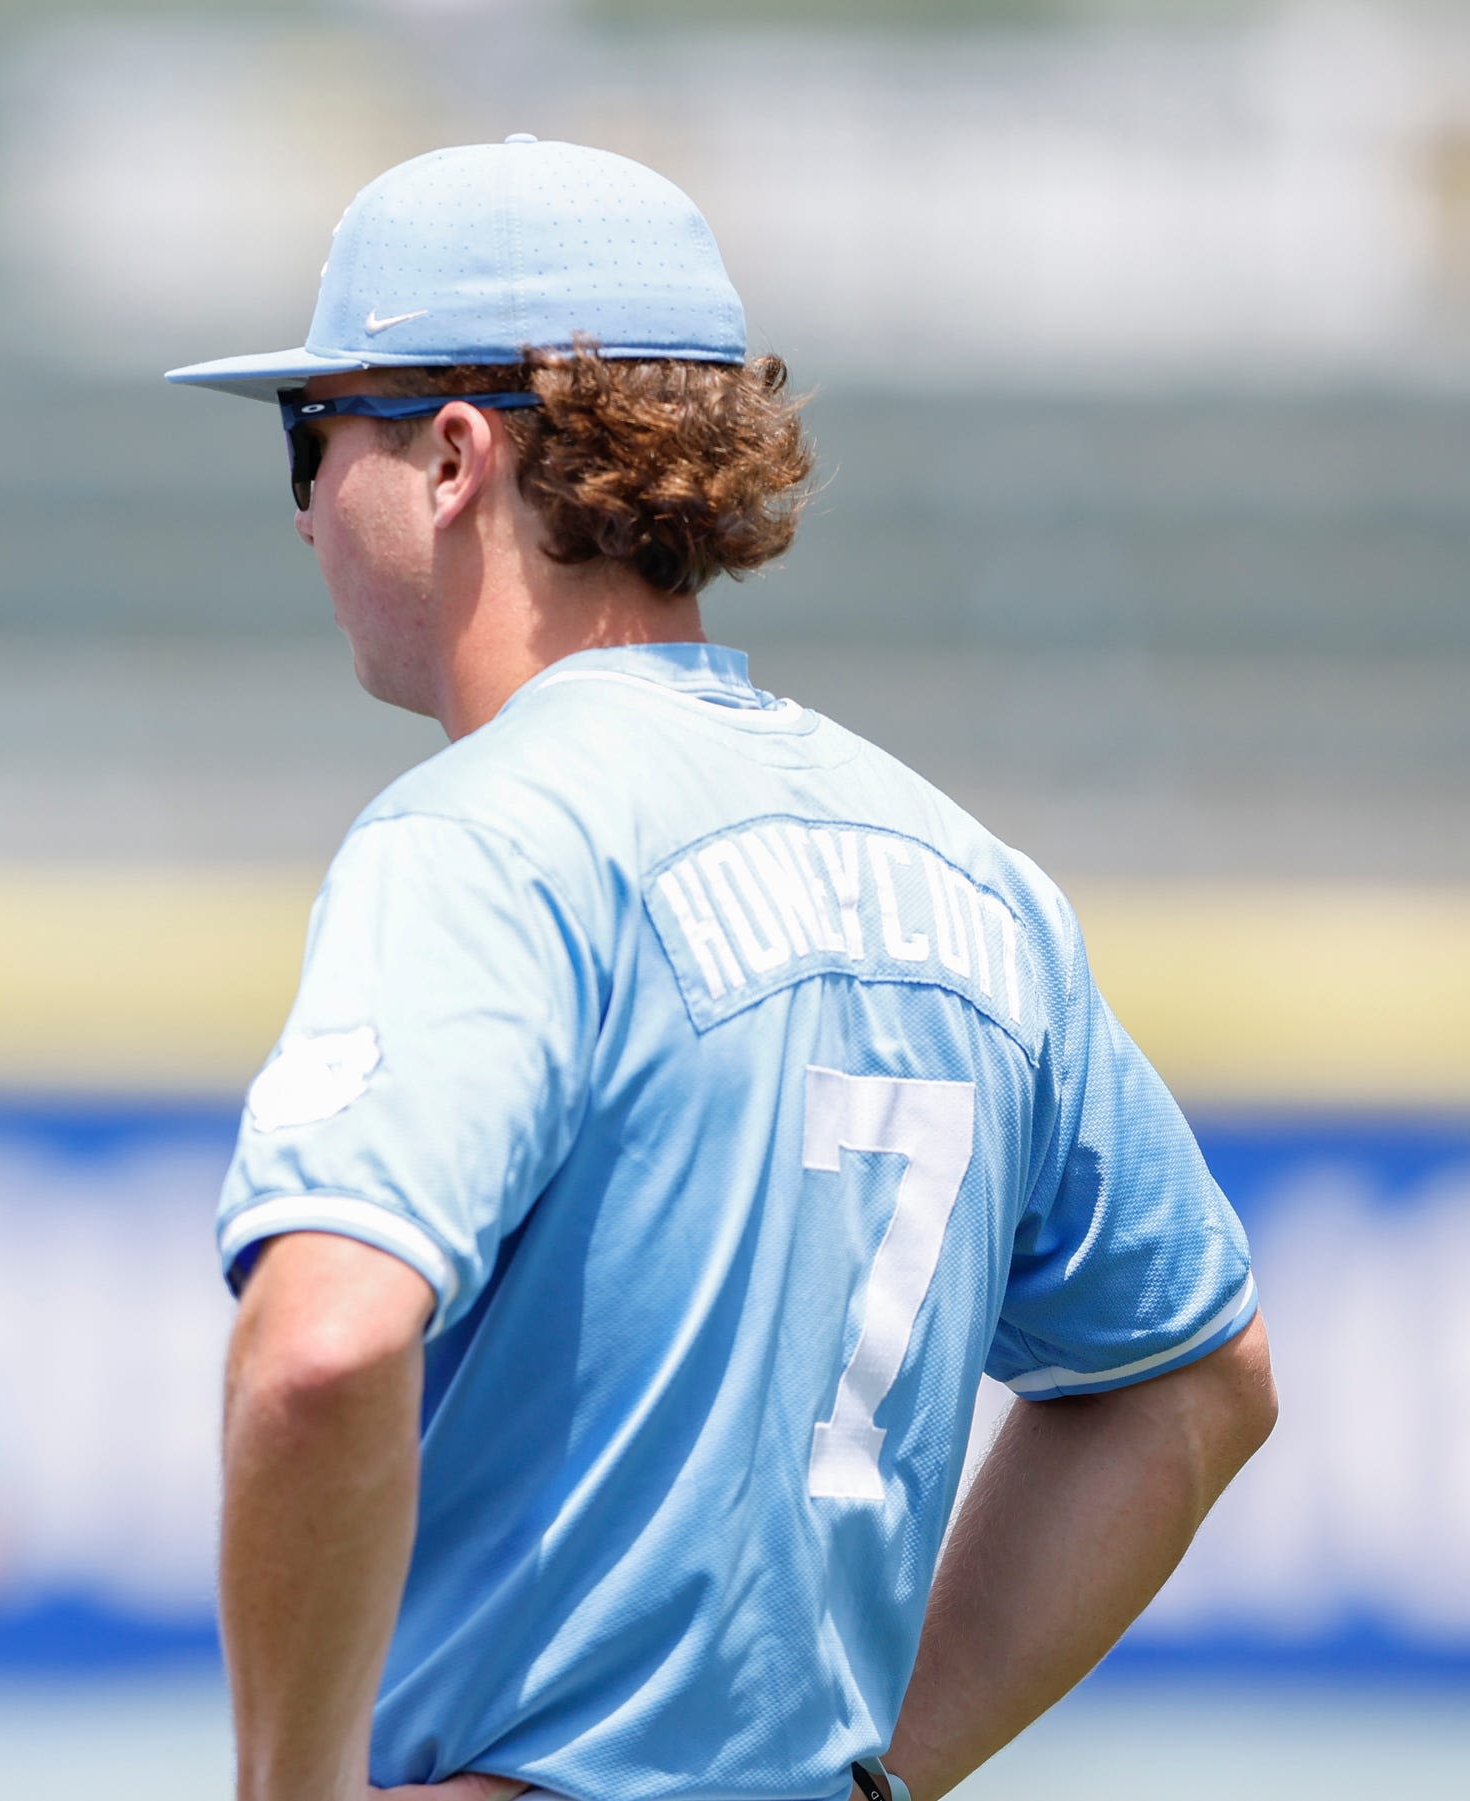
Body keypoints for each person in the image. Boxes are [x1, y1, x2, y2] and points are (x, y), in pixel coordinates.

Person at [167, 139, 1276, 1801]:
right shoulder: (971, 875)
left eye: (315, 435)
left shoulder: (486, 838)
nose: (314, 498)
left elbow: (322, 1349)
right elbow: (1197, 1386)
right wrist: (889, 1772)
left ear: (456, 456)